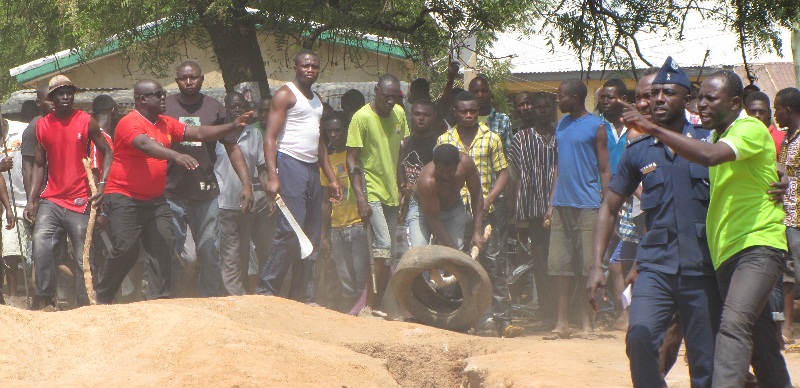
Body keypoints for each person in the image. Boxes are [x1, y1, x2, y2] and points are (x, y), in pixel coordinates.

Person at [623, 69, 792, 387]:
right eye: (700, 99)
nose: (702, 105)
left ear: (735, 102)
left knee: (732, 325)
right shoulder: (715, 137)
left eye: (710, 99)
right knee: (763, 348)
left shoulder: (745, 129)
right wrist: (777, 169)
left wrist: (651, 129)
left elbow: (713, 157)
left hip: (756, 246)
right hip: (721, 254)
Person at [587, 58, 721, 387]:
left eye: (668, 93)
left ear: (687, 99)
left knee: (706, 360)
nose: (658, 99)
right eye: (654, 93)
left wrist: (777, 176)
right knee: (639, 337)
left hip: (703, 268)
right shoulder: (638, 150)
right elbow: (609, 206)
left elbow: (750, 164)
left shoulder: (710, 141)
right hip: (655, 267)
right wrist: (595, 265)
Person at [94, 80, 252, 304]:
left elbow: (199, 132)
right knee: (126, 249)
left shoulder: (165, 123)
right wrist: (175, 155)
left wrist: (231, 127)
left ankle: (158, 299)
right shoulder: (129, 122)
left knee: (164, 245)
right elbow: (144, 145)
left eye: (163, 93)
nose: (163, 98)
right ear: (142, 99)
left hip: (155, 200)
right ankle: (103, 293)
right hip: (124, 197)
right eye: (157, 94)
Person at [258, 49, 342, 302]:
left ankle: (302, 295)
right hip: (289, 163)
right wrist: (273, 175)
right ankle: (266, 290)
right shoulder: (285, 95)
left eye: (315, 66)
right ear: (295, 67)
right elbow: (270, 137)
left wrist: (333, 178)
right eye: (305, 65)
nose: (310, 70)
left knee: (311, 232)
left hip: (310, 169)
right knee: (289, 230)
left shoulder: (317, 100)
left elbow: (319, 144)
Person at [164, 60, 254, 298]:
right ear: (177, 80)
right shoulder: (166, 107)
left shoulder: (214, 107)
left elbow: (233, 147)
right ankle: (173, 299)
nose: (189, 81)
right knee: (179, 252)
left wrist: (246, 184)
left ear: (202, 79)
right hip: (170, 191)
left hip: (205, 191)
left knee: (209, 249)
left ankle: (211, 300)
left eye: (193, 77)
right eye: (183, 78)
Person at [438, 91, 523, 337]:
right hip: (454, 214)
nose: (468, 115)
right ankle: (462, 320)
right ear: (455, 112)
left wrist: (489, 199)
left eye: (473, 111)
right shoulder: (445, 140)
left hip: (487, 214)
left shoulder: (492, 138)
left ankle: (503, 321)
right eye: (463, 111)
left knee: (495, 266)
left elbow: (503, 174)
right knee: (459, 268)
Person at [25, 75, 113, 309]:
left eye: (69, 92)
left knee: (83, 253)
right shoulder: (42, 126)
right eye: (60, 93)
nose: (65, 97)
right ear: (51, 98)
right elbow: (40, 165)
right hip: (52, 199)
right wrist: (32, 200)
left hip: (81, 198)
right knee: (40, 242)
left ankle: (85, 302)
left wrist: (103, 184)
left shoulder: (87, 121)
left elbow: (107, 152)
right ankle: (44, 297)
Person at [545, 78, 610, 340]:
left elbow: (605, 170)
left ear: (574, 98)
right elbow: (558, 168)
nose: (557, 100)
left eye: (560, 95)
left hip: (588, 205)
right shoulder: (562, 124)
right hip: (561, 205)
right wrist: (551, 204)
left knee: (587, 266)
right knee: (560, 267)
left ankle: (588, 324)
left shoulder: (597, 127)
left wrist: (607, 205)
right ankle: (562, 323)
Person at [347, 73, 408, 314]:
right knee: (382, 245)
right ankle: (368, 306)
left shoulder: (400, 114)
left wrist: (403, 187)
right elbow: (352, 159)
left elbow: (401, 152)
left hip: (391, 190)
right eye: (386, 96)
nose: (390, 102)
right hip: (369, 188)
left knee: (389, 254)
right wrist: (361, 199)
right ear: (376, 91)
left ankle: (377, 306)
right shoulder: (361, 118)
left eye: (395, 98)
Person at [507, 91, 557, 323]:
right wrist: (519, 217)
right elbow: (515, 178)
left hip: (562, 209)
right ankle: (547, 312)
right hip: (534, 212)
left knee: (562, 263)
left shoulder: (562, 135)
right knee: (541, 263)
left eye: (547, 106)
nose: (542, 110)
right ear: (532, 110)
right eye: (538, 107)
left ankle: (564, 311)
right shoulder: (521, 138)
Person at [216, 92, 273, 296]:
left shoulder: (254, 134)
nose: (238, 109)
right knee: (227, 252)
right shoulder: (217, 133)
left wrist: (268, 194)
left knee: (243, 252)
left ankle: (236, 293)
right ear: (225, 109)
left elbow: (261, 167)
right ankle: (232, 295)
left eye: (241, 106)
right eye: (233, 106)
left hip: (246, 203)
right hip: (221, 202)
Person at [318, 111, 368, 312]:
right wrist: (324, 234)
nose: (333, 135)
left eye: (337, 130)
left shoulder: (356, 156)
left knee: (361, 276)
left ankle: (365, 312)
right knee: (345, 279)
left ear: (347, 131)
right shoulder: (326, 162)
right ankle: (350, 318)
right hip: (336, 227)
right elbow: (324, 201)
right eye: (329, 131)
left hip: (358, 224)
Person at [414, 144, 484, 251]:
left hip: (453, 207)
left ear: (457, 164)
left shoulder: (466, 164)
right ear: (435, 164)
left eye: (451, 171)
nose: (446, 175)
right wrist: (455, 252)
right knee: (418, 252)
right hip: (423, 211)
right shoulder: (427, 181)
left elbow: (477, 194)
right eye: (441, 171)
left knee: (452, 254)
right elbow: (434, 219)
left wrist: (477, 231)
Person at [775, 87, 800, 345]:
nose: (775, 114)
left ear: (789, 110)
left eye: (777, 109)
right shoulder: (786, 140)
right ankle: (788, 329)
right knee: (788, 274)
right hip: (786, 216)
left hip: (798, 219)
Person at [403, 99, 441, 248]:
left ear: (434, 117)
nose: (421, 118)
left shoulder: (438, 144)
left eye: (426, 115)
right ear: (411, 115)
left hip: (433, 206)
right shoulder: (405, 143)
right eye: (417, 114)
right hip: (408, 205)